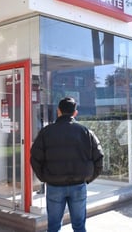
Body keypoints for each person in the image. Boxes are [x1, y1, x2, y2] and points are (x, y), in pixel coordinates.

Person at [30, 97, 104, 232]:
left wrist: (44, 177)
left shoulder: (46, 132)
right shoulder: (86, 132)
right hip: (78, 186)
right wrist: (89, 177)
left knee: (53, 226)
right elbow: (99, 157)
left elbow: (35, 157)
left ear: (58, 111)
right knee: (79, 226)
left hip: (54, 186)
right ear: (75, 113)